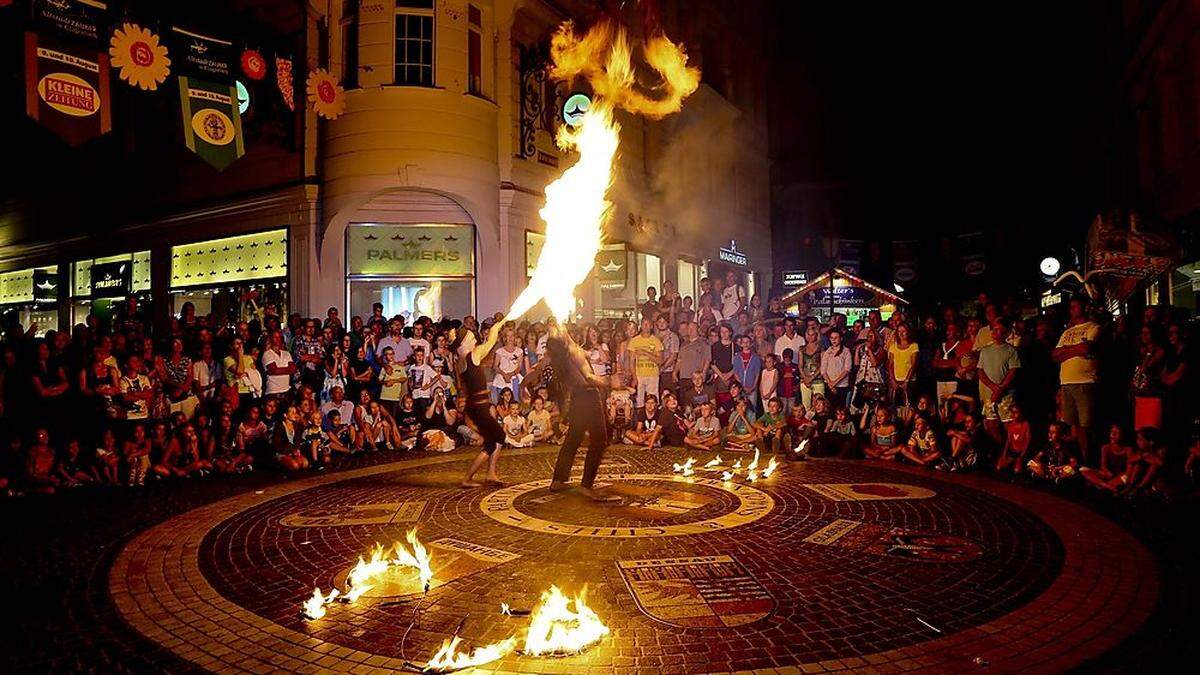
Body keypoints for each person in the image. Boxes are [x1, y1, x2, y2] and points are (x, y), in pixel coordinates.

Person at [546, 322, 618, 501]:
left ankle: (558, 480)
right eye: (558, 330)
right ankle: (586, 485)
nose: (560, 326)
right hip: (589, 397)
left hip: (578, 398)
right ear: (561, 338)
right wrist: (610, 382)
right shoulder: (573, 352)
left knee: (573, 438)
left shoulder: (565, 353)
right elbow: (589, 376)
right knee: (600, 440)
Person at [455, 319, 509, 487]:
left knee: (493, 439)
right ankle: (468, 478)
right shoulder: (473, 355)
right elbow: (492, 340)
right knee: (497, 437)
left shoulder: (459, 360)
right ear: (463, 343)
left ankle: (491, 473)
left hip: (475, 406)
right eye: (471, 338)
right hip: (479, 406)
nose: (475, 341)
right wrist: (499, 325)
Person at [1052, 298, 1099, 462]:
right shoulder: (1067, 332)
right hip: (1067, 382)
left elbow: (1087, 348)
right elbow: (1055, 355)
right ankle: (1080, 459)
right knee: (1074, 425)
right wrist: (1075, 350)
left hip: (1085, 382)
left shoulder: (1093, 327)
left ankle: (1090, 460)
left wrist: (1065, 350)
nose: (1071, 309)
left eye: (1074, 305)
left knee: (1087, 425)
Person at [976, 317, 1021, 444]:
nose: (997, 333)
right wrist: (993, 387)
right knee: (991, 424)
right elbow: (980, 371)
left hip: (1006, 395)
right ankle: (1000, 448)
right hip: (989, 394)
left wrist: (1001, 388)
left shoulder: (1011, 351)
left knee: (1008, 423)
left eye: (1001, 330)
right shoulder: (985, 350)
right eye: (995, 329)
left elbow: (1013, 371)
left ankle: (1011, 448)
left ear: (1006, 333)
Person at [1081, 424, 1132, 493]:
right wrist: (1107, 472)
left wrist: (1118, 477)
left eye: (1116, 433)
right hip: (1108, 474)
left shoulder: (1128, 450)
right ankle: (1106, 486)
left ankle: (1100, 486)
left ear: (1123, 435)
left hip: (1120, 476)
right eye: (1112, 432)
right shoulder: (1105, 448)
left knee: (1125, 477)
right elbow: (1103, 466)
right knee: (1083, 470)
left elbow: (1128, 471)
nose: (1113, 435)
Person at [628, 317, 664, 411]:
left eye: (648, 324)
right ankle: (640, 422)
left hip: (652, 375)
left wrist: (645, 353)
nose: (645, 326)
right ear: (641, 325)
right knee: (640, 402)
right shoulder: (634, 341)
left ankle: (653, 422)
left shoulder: (656, 341)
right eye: (643, 323)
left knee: (652, 401)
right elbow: (631, 362)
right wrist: (634, 377)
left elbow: (660, 361)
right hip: (639, 375)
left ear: (651, 326)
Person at [820, 328, 853, 407]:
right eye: (832, 338)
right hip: (829, 385)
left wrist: (834, 383)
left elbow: (847, 370)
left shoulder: (846, 351)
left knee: (840, 408)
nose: (833, 340)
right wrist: (830, 384)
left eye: (836, 338)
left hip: (841, 385)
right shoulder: (827, 351)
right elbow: (823, 370)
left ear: (841, 338)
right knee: (829, 407)